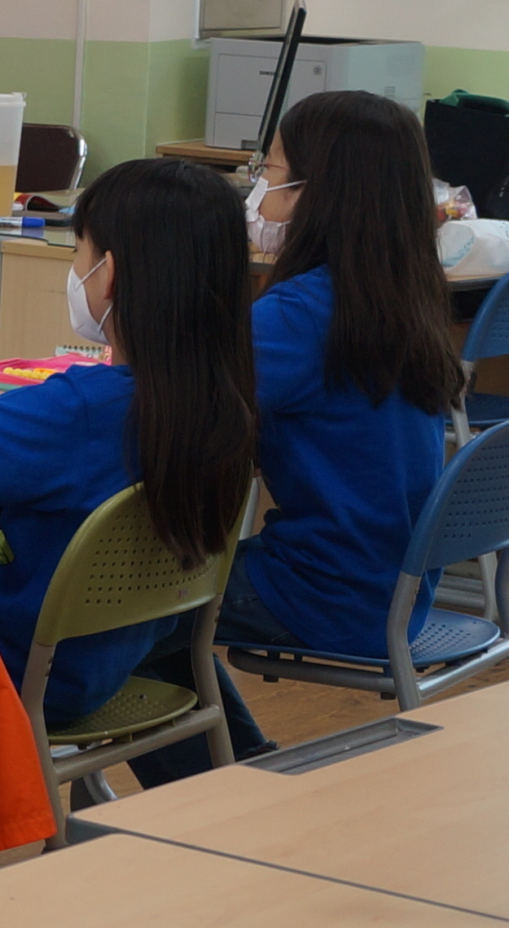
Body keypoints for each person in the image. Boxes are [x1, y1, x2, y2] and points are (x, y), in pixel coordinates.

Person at [148, 89, 465, 775]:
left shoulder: (299, 314)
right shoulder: (398, 295)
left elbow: (169, 409)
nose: (262, 189)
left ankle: (207, 791)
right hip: (390, 585)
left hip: (322, 591)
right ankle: (238, 768)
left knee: (117, 605)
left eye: (275, 170)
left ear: (323, 193)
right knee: (152, 606)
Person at [0, 159, 258, 727]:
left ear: (110, 274)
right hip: (107, 662)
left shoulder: (79, 411)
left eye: (78, 252)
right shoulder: (216, 403)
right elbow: (58, 432)